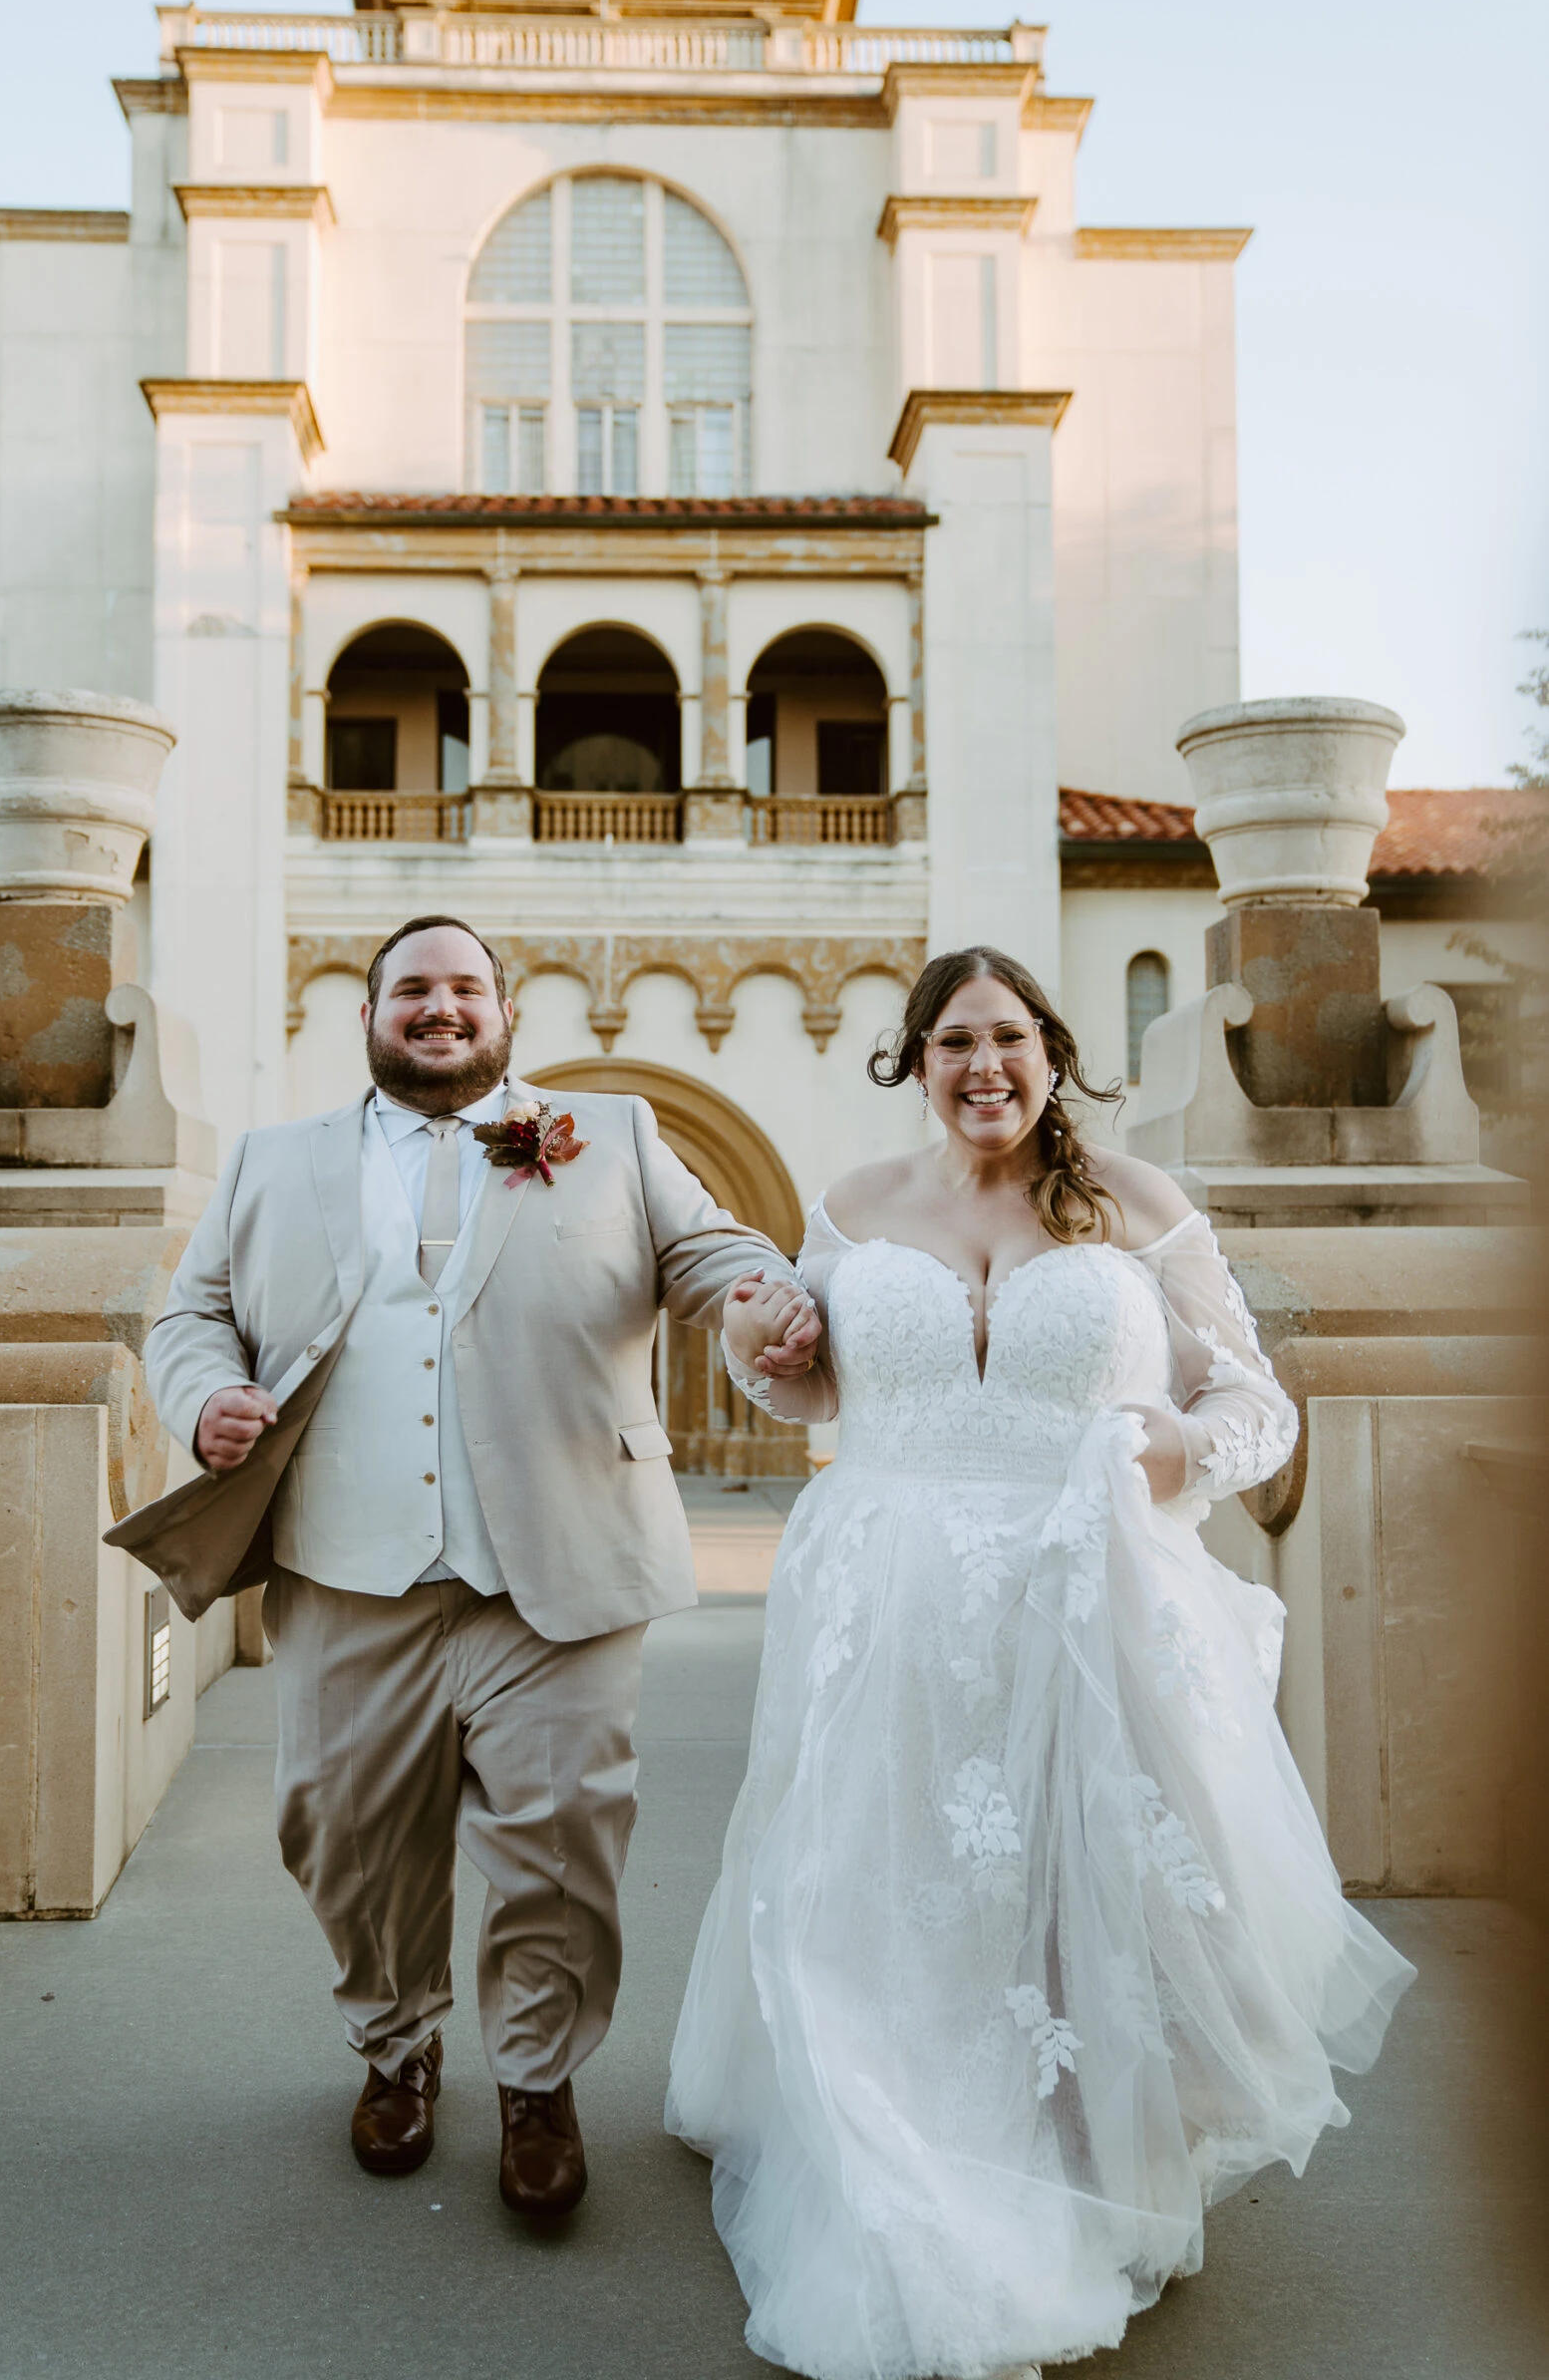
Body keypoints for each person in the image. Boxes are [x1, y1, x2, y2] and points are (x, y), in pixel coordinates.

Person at [667, 944, 1414, 2380]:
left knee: (1074, 1893)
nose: (984, 1066)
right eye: (953, 1043)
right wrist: (772, 1349)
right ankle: (894, 2131)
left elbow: (1252, 1396)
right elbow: (811, 1382)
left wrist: (1184, 1447)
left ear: (1053, 1053)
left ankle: (1072, 2147)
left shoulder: (1137, 1205)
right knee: (881, 1881)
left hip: (1087, 1596)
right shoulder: (853, 1205)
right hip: (884, 1596)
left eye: (1008, 1038)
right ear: (914, 1061)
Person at [108, 913, 817, 2216]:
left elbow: (710, 1252)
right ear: (370, 1014)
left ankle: (539, 2083)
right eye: (413, 991)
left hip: (562, 1566)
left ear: (506, 1014)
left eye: (467, 990)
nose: (442, 1009)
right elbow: (193, 1313)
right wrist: (204, 1392)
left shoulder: (614, 1139)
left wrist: (765, 1296)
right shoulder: (274, 1162)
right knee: (343, 1837)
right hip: (346, 1566)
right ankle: (398, 2044)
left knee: (559, 1843)